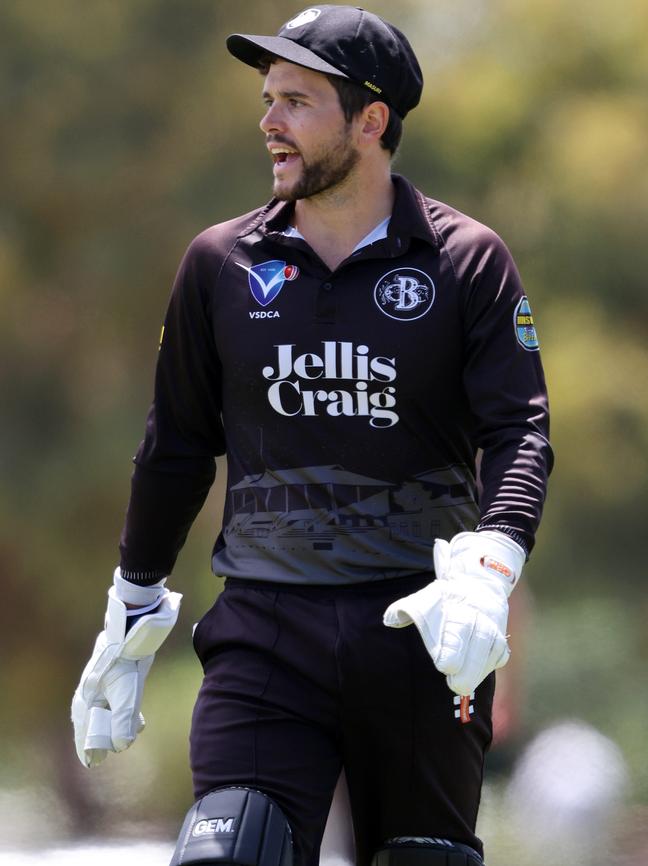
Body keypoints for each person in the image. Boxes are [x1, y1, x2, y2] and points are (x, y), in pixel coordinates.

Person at [71, 6, 553, 866]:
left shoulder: (468, 261)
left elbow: (519, 428)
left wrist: (493, 569)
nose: (268, 122)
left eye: (296, 101)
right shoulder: (220, 264)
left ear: (371, 121)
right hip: (264, 637)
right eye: (267, 99)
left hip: (423, 634)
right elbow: (177, 446)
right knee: (227, 857)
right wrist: (130, 606)